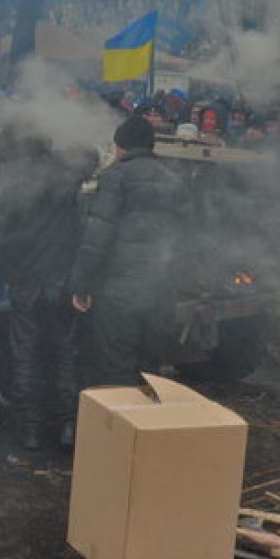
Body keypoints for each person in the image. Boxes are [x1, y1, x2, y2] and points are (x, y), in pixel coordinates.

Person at [0, 123, 98, 449]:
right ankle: (69, 426)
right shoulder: (64, 169)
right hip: (61, 280)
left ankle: (32, 431)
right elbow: (92, 155)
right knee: (65, 353)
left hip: (24, 281)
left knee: (25, 355)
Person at [69, 115, 184, 386]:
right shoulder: (173, 180)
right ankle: (148, 425)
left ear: (121, 147)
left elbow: (97, 237)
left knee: (116, 366)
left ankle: (121, 425)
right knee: (150, 369)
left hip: (120, 290)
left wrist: (80, 286)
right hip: (160, 288)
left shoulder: (115, 177)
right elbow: (184, 238)